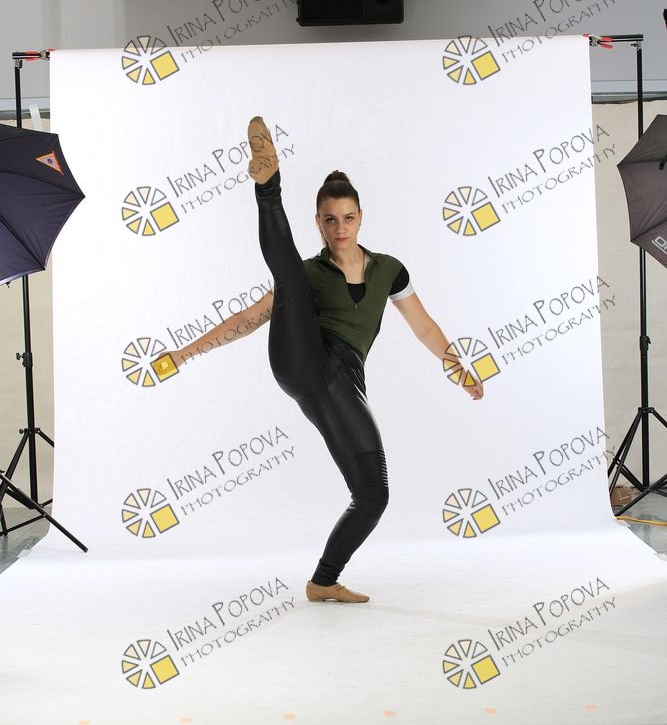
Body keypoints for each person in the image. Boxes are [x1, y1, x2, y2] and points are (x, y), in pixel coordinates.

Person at [167, 117, 483, 604]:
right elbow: (249, 319)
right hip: (301, 356)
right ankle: (267, 183)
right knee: (290, 276)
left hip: (342, 379)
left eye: (347, 218)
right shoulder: (311, 273)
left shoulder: (390, 271)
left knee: (373, 495)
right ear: (317, 222)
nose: (339, 228)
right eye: (330, 220)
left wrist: (457, 368)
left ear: (360, 218)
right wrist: (186, 353)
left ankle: (323, 581)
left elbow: (424, 326)